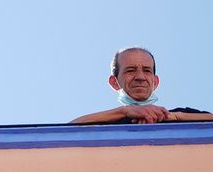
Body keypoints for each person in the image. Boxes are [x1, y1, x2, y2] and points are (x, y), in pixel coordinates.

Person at [71, 47, 213, 124]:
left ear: (155, 82)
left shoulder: (178, 116)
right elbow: (70, 128)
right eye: (130, 70)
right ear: (114, 82)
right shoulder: (109, 123)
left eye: (147, 71)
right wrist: (125, 112)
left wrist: (175, 117)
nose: (140, 77)